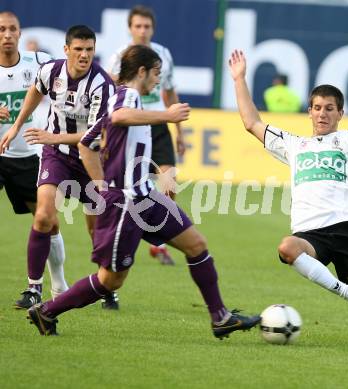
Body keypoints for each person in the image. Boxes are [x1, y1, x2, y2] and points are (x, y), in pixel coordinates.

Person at [26, 45, 261, 339]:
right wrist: (167, 116)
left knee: (196, 245)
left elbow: (86, 142)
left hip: (146, 197)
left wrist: (99, 183)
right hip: (125, 203)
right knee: (110, 281)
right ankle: (47, 311)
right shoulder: (127, 96)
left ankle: (220, 317)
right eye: (156, 74)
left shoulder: (120, 101)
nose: (158, 80)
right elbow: (121, 117)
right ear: (142, 72)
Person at [229, 50, 348, 319]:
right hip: (311, 235)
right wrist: (239, 78)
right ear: (309, 112)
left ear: (340, 113)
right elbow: (251, 122)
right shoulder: (295, 145)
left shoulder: (347, 140)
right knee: (287, 247)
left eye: (329, 109)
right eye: (317, 108)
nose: (322, 114)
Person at [0, 25, 117, 309]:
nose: (84, 55)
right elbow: (34, 92)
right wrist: (16, 126)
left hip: (90, 160)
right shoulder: (50, 71)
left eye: (89, 49)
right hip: (56, 156)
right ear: (66, 50)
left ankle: (107, 286)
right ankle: (34, 289)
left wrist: (53, 136)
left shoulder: (102, 84)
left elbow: (94, 134)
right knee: (42, 216)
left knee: (97, 229)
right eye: (78, 49)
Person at [107, 5, 185, 266]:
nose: (142, 31)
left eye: (147, 26)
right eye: (138, 26)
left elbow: (170, 92)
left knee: (170, 183)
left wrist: (180, 132)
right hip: (132, 124)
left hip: (160, 123)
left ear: (153, 29)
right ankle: (133, 231)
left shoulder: (163, 54)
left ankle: (158, 240)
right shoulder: (121, 56)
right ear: (130, 29)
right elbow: (110, 91)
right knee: (130, 187)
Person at [0, 11, 68, 304]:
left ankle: (58, 284)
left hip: (29, 155)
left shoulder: (38, 62)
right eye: (1, 29)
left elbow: (69, 81)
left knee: (48, 221)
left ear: (20, 32)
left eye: (12, 29)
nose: (6, 35)